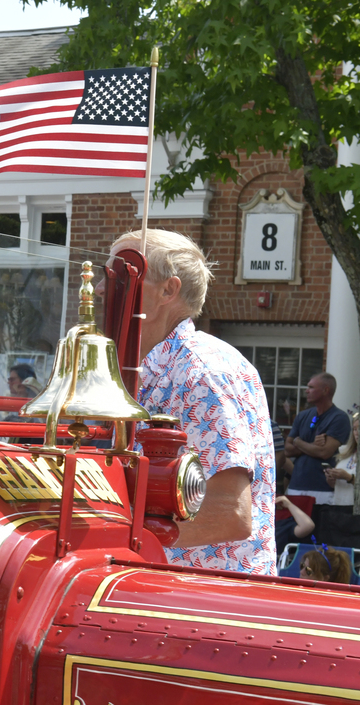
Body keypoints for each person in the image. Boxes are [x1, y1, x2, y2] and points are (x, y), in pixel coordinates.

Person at [110, 229, 276, 574]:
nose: (101, 289)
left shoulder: (201, 371)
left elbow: (229, 512)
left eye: (122, 276)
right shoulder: (156, 368)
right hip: (172, 595)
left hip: (206, 605)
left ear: (168, 290)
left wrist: (112, 536)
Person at [285, 373, 351, 506]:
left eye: (311, 387)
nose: (306, 390)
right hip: (296, 485)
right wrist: (312, 446)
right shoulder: (302, 416)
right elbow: (287, 449)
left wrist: (298, 441)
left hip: (323, 488)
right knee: (293, 526)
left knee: (319, 526)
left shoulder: (339, 418)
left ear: (326, 390)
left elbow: (324, 452)